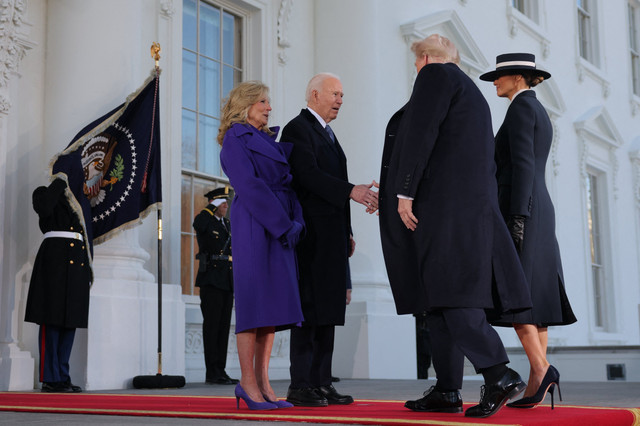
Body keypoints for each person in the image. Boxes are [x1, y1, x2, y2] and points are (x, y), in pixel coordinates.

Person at [381, 34, 533, 418]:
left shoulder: (435, 76)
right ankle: (447, 389)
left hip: (445, 211)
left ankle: (499, 374)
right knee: (439, 299)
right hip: (467, 210)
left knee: (452, 295)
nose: (416, 71)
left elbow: (421, 134)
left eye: (416, 64)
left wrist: (404, 192)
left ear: (427, 58)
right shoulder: (473, 94)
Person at [479, 53, 577, 409]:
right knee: (536, 296)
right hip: (538, 209)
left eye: (499, 76)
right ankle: (539, 378)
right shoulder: (537, 109)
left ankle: (541, 368)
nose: (494, 82)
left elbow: (520, 165)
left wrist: (516, 219)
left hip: (525, 211)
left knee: (517, 294)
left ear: (518, 78)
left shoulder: (520, 109)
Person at [282, 72, 378, 407]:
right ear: (314, 94)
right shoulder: (297, 129)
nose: (339, 100)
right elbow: (307, 176)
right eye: (334, 93)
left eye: (342, 95)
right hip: (310, 236)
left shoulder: (328, 133)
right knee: (310, 309)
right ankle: (301, 384)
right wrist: (352, 191)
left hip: (332, 236)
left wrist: (347, 231)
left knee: (329, 310)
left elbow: (336, 180)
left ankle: (322, 382)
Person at [219, 80, 305, 411]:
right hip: (257, 224)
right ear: (246, 105)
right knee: (254, 307)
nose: (269, 108)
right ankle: (247, 384)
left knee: (270, 308)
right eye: (263, 102)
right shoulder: (234, 139)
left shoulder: (266, 138)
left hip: (279, 223)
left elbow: (288, 185)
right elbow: (250, 186)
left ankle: (264, 383)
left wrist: (296, 220)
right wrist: (283, 224)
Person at [25, 176, 92, 393]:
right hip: (54, 261)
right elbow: (44, 209)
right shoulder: (44, 192)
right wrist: (59, 183)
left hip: (76, 263)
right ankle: (50, 377)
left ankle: (63, 376)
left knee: (69, 321)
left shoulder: (78, 201)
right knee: (51, 321)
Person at [193, 186, 238, 385]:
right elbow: (198, 224)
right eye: (222, 203)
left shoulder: (227, 225)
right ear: (214, 204)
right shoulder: (205, 220)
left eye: (226, 202)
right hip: (211, 279)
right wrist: (209, 208)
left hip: (227, 280)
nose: (226, 206)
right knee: (212, 327)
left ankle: (221, 369)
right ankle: (211, 372)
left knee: (223, 327)